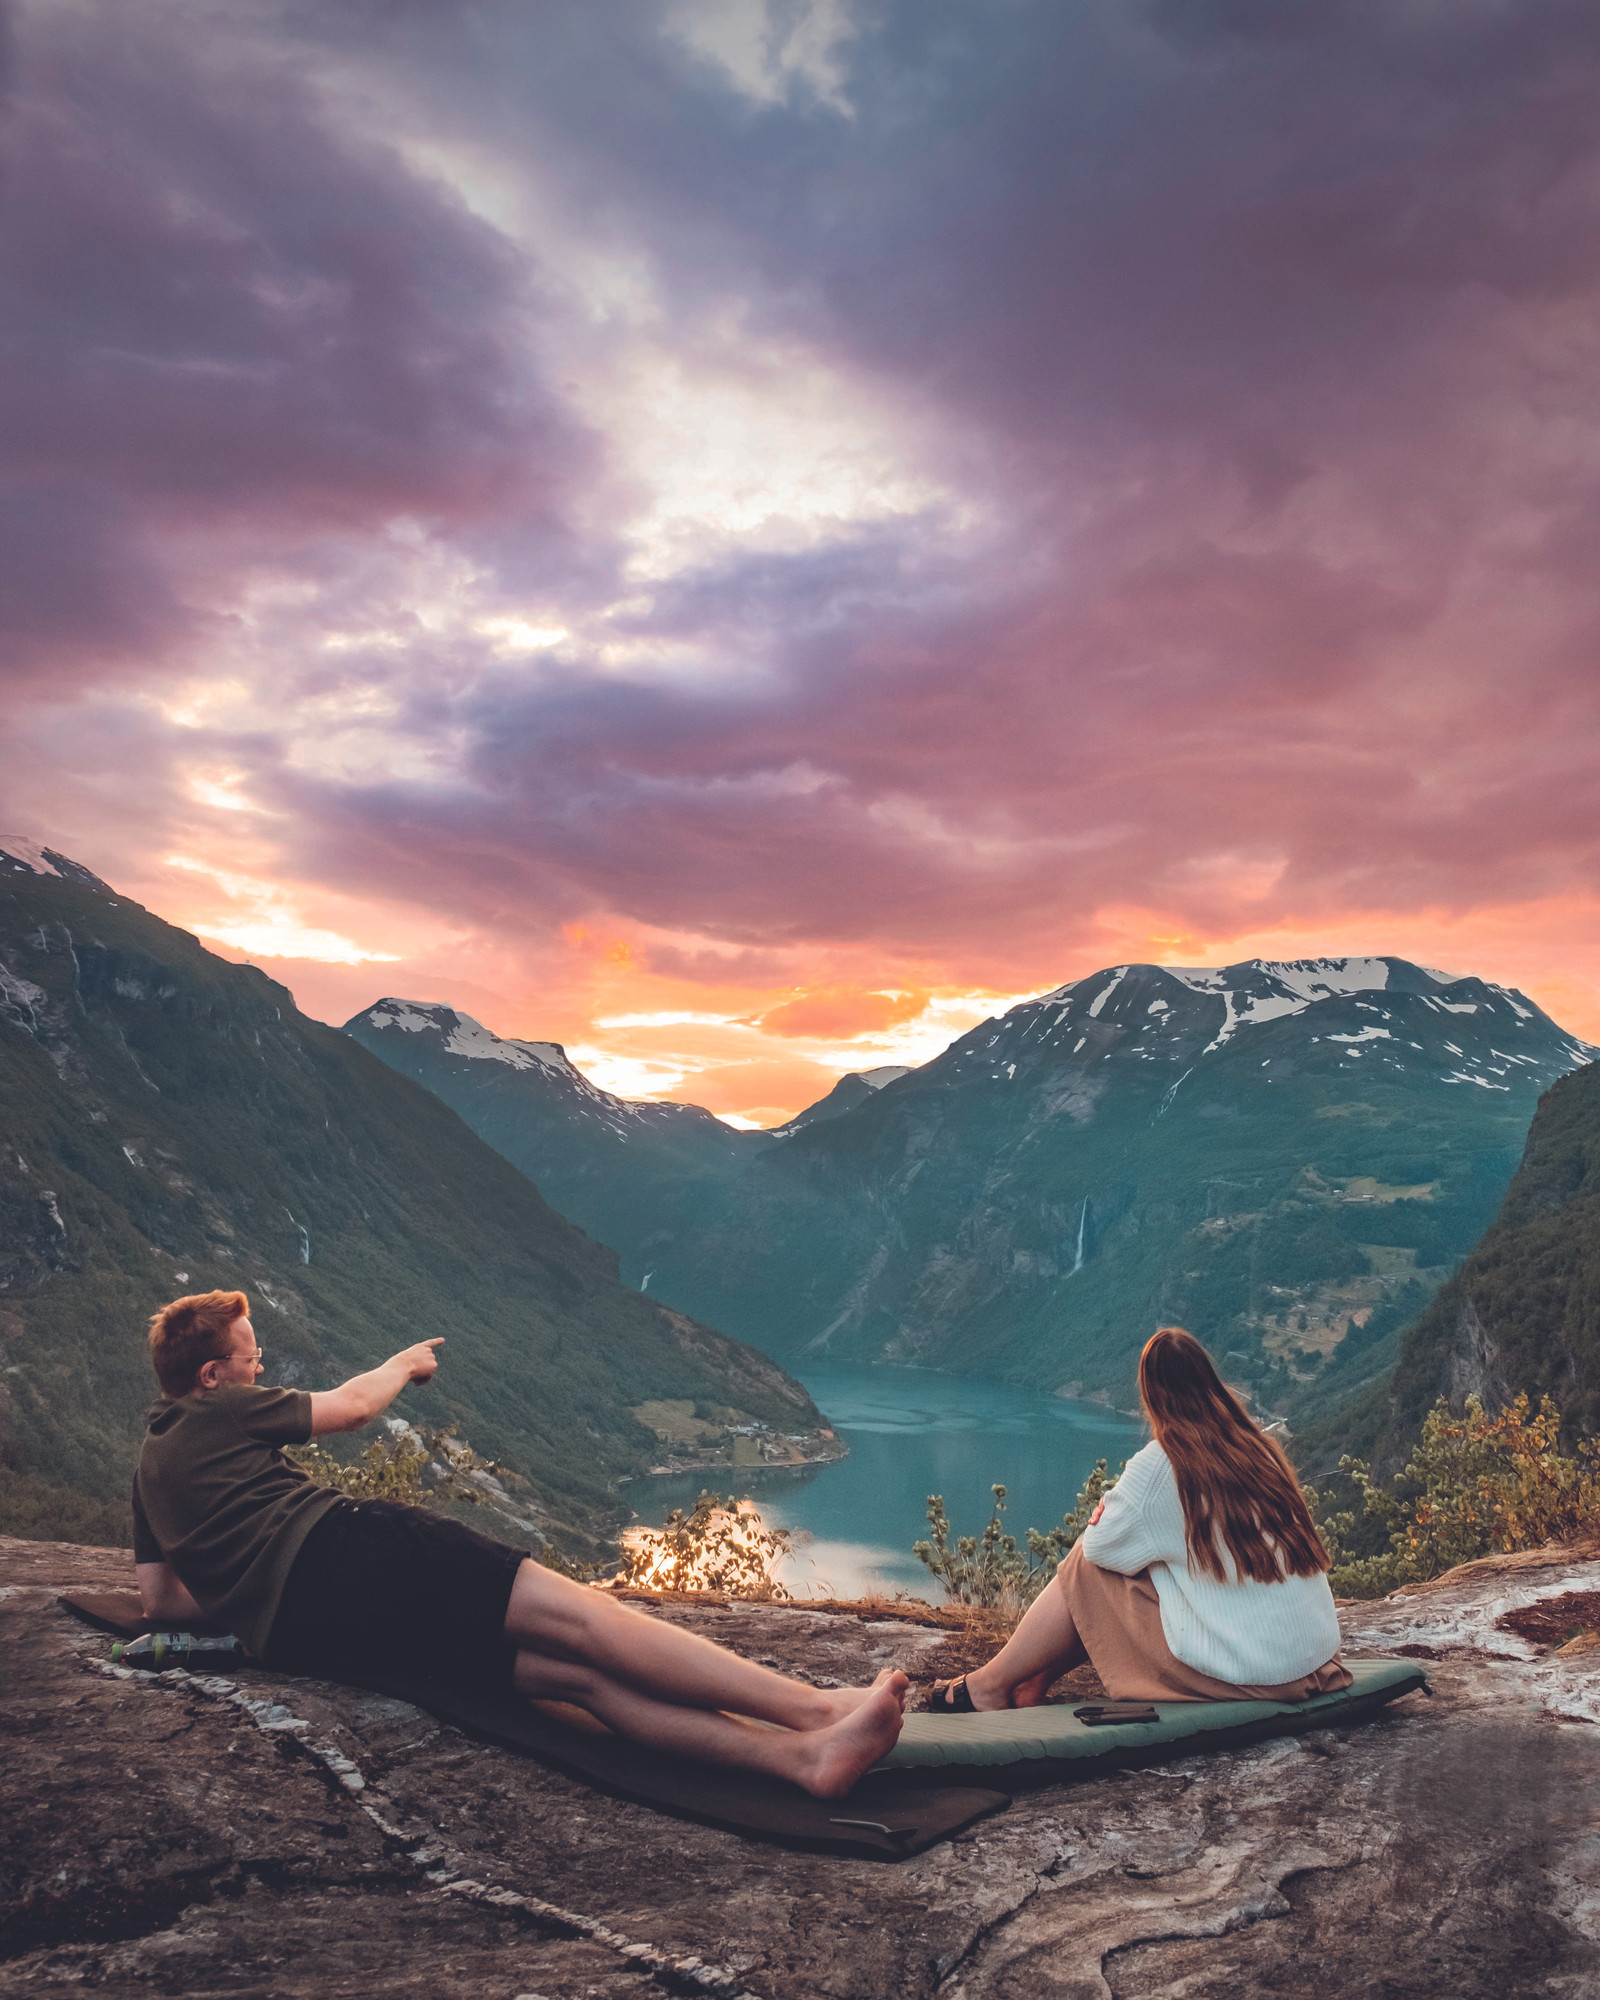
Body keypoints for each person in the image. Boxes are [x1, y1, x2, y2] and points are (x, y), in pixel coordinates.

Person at [133, 1290, 907, 1797]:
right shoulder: (222, 1412)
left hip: (314, 1636)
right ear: (210, 1375)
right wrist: (405, 1362)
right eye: (249, 1358)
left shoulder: (150, 1464)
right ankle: (810, 1713)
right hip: (357, 1553)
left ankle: (803, 1764)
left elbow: (161, 1600)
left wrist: (256, 1588)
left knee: (572, 1679)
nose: (260, 1367)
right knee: (590, 1622)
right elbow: (355, 1408)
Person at [931, 1325, 1350, 1711]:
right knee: (1136, 1561)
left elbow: (1096, 1551)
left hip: (1258, 1677)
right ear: (1209, 1382)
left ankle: (989, 1684)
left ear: (1152, 1395)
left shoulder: (1165, 1464)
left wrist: (1104, 1516)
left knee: (1087, 1563)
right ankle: (1030, 1682)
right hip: (1314, 1660)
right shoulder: (1258, 1449)